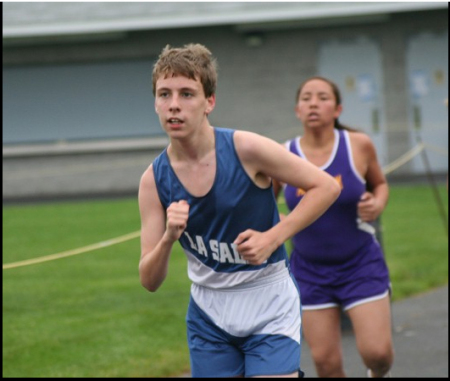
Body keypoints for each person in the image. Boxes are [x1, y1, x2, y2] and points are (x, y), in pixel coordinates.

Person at [138, 44, 341, 378]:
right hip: (209, 311)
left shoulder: (246, 148)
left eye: (187, 94)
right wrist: (168, 239)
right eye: (164, 94)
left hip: (268, 299)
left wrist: (273, 237)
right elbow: (149, 280)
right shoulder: (153, 180)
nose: (174, 105)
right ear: (156, 102)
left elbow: (327, 187)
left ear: (210, 102)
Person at [273, 76, 394, 378]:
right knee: (326, 364)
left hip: (360, 263)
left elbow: (379, 184)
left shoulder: (358, 145)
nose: (314, 103)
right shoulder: (282, 154)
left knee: (377, 354)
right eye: (307, 98)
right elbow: (263, 204)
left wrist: (378, 203)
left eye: (323, 97)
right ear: (297, 109)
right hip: (309, 270)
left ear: (338, 108)